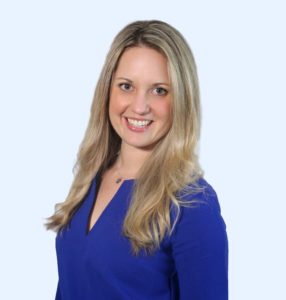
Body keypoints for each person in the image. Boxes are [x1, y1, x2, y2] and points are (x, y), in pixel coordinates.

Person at [46, 19, 228, 300]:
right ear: (108, 90)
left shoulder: (192, 204)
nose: (140, 106)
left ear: (181, 99)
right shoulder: (90, 178)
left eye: (159, 90)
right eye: (126, 86)